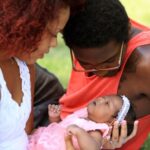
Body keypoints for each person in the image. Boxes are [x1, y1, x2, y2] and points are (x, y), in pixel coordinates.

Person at [58, 0, 150, 149]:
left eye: (109, 62)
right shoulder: (84, 28)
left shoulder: (145, 62)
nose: (99, 72)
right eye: (86, 65)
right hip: (57, 123)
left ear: (127, 30)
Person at [0, 0, 85, 149]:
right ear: (26, 25)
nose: (54, 44)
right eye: (53, 34)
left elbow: (26, 135)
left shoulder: (25, 67)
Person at [28, 95, 136, 150]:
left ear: (111, 122)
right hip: (40, 141)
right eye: (104, 97)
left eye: (107, 103)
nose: (100, 99)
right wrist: (55, 119)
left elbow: (93, 148)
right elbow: (63, 128)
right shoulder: (82, 115)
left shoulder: (96, 130)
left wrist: (80, 132)